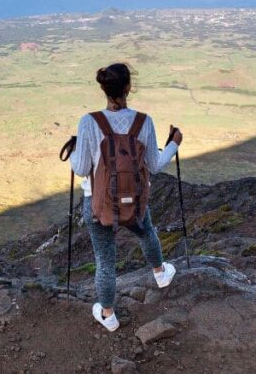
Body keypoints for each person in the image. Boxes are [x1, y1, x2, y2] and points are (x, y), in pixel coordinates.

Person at [69, 62, 183, 331]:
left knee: (105, 260)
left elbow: (81, 168)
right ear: (128, 88)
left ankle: (108, 315)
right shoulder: (144, 122)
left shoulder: (89, 122)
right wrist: (174, 143)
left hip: (97, 204)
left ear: (104, 89)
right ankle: (160, 274)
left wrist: (74, 151)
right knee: (147, 232)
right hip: (135, 199)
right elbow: (154, 165)